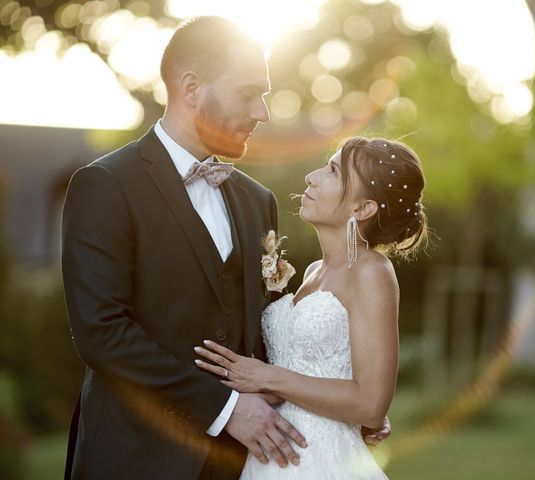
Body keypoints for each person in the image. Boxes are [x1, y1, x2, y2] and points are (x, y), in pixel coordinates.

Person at [61, 16, 388, 480]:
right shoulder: (105, 185)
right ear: (191, 87)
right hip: (134, 457)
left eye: (265, 95)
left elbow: (269, 333)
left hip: (242, 465)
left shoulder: (258, 201)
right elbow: (101, 332)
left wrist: (341, 400)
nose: (263, 112)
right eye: (248, 93)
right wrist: (226, 408)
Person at [196, 136, 428, 478]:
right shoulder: (312, 272)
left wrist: (267, 376)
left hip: (321, 461)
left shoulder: (371, 272)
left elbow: (371, 403)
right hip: (270, 454)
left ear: (361, 209)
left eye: (333, 171)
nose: (312, 177)